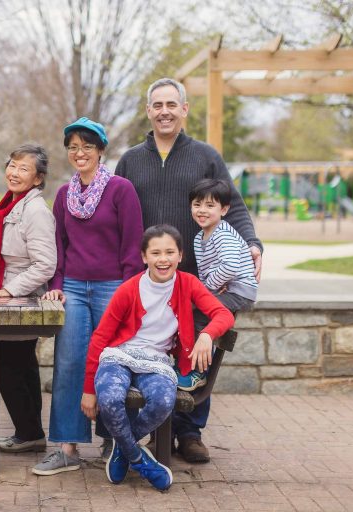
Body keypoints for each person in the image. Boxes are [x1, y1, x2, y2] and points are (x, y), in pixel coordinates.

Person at [114, 77, 263, 463]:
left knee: (198, 347)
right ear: (148, 111)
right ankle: (139, 424)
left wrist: (253, 243)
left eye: (171, 104)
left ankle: (190, 430)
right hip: (145, 278)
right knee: (146, 346)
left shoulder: (205, 155)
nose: (164, 111)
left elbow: (236, 206)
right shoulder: (130, 160)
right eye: (157, 105)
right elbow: (116, 214)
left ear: (184, 109)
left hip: (197, 277)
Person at [81, 225, 234, 491]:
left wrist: (207, 335)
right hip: (119, 355)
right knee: (109, 399)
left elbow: (224, 315)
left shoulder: (188, 284)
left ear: (180, 256)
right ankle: (139, 459)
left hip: (156, 362)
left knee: (164, 402)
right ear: (144, 257)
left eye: (169, 252)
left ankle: (123, 448)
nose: (163, 259)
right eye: (155, 253)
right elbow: (99, 338)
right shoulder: (129, 289)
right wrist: (87, 390)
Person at [33, 118, 144, 476]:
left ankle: (115, 441)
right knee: (69, 363)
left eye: (87, 146)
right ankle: (67, 447)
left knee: (115, 361)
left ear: (100, 150)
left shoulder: (121, 190)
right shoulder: (65, 196)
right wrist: (57, 285)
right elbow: (59, 248)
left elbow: (132, 247)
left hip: (114, 286)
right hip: (75, 288)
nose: (79, 153)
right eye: (73, 147)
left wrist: (129, 292)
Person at [0, 144, 56, 453]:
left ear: (38, 179)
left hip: (19, 296)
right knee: (22, 365)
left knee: (9, 367)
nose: (15, 172)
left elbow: (45, 264)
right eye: (12, 165)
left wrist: (10, 290)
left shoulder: (35, 210)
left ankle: (29, 432)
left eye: (24, 169)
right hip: (8, 291)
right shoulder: (10, 202)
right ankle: (31, 432)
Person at [178, 179, 258, 391]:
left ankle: (199, 372)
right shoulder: (198, 238)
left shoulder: (223, 234)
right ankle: (186, 363)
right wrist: (207, 289)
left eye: (210, 205)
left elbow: (230, 266)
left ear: (224, 209)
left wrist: (208, 289)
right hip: (225, 288)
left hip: (239, 291)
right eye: (197, 204)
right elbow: (206, 272)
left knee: (198, 315)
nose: (202, 210)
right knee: (188, 308)